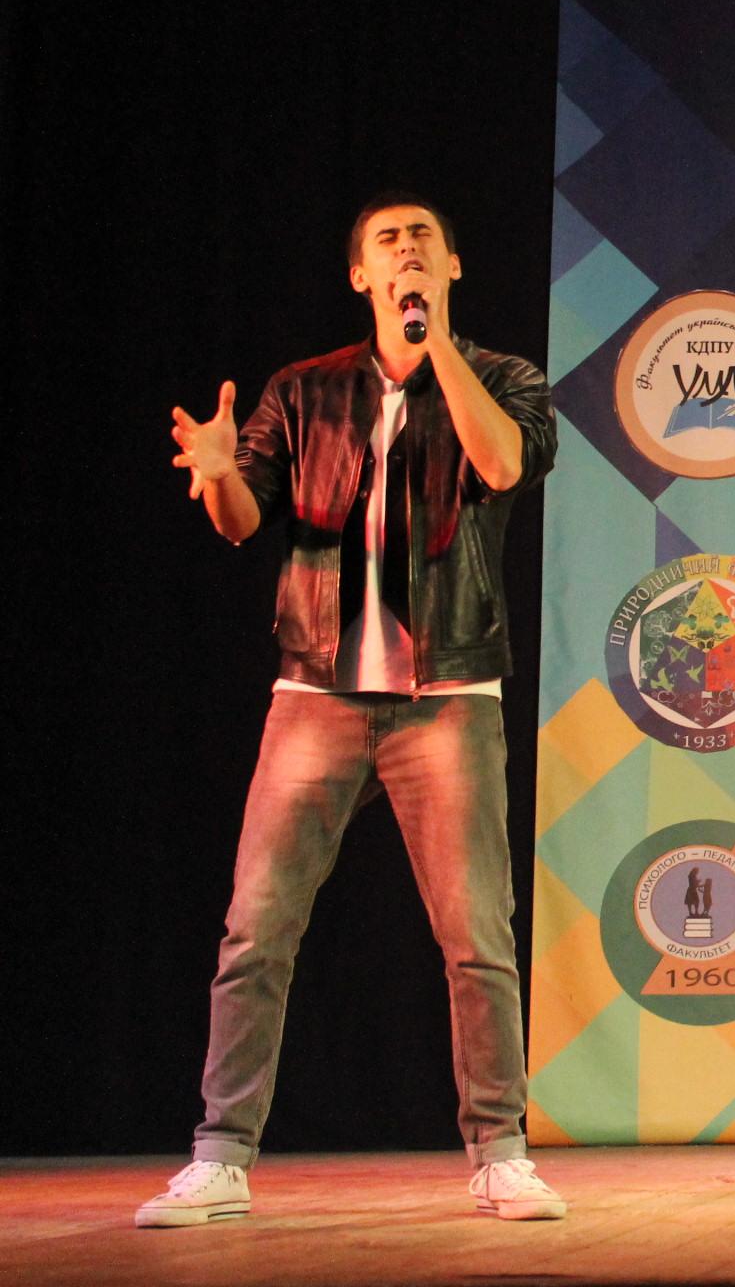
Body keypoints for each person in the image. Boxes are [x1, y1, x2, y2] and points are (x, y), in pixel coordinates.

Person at [140, 193, 565, 1226]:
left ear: (450, 267)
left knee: (477, 935)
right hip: (316, 695)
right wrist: (217, 474)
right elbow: (243, 520)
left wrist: (436, 348)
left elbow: (503, 464)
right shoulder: (304, 390)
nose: (406, 251)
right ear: (360, 276)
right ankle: (221, 1155)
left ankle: (501, 1153)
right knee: (257, 928)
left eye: (423, 241)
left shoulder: (505, 378)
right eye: (388, 242)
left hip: (448, 694)